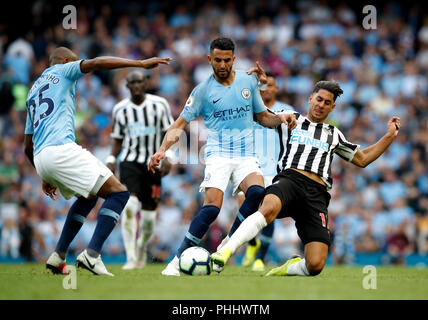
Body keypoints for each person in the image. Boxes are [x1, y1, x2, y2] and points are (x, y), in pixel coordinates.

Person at [212, 80, 401, 277]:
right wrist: (261, 92)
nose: (321, 105)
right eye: (319, 99)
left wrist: (389, 136)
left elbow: (362, 159)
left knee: (315, 265)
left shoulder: (334, 134)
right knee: (267, 208)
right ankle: (225, 252)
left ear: (332, 107)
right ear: (310, 99)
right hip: (290, 180)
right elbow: (263, 118)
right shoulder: (291, 119)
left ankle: (289, 268)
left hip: (316, 194)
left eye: (327, 102)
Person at [148, 37, 296, 276]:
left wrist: (281, 117)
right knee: (212, 209)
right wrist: (162, 150)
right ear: (210, 60)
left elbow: (262, 117)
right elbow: (179, 124)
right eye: (218, 59)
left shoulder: (248, 82)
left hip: (246, 154)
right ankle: (175, 262)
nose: (223, 64)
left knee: (258, 192)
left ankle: (228, 244)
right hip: (218, 155)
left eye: (227, 59)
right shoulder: (203, 91)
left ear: (233, 59)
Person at [24, 47, 171, 276]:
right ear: (64, 61)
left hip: (42, 157)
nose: (79, 66)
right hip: (61, 149)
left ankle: (58, 257)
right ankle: (92, 255)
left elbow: (27, 147)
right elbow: (95, 62)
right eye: (75, 61)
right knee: (119, 193)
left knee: (89, 195)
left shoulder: (33, 91)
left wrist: (44, 174)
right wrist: (140, 64)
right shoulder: (64, 70)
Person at [107, 70, 174, 270]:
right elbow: (117, 138)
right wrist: (111, 159)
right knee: (129, 207)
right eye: (132, 83)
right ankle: (130, 257)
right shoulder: (120, 109)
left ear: (146, 83)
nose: (136, 86)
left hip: (153, 164)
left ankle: (141, 246)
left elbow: (170, 132)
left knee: (148, 220)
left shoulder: (159, 104)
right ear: (127, 86)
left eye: (139, 82)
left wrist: (169, 157)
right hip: (130, 162)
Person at [239, 72, 295, 272]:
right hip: (248, 167)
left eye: (272, 85)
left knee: (267, 212)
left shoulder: (286, 111)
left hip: (274, 169)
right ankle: (252, 243)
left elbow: (294, 139)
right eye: (265, 85)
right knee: (245, 208)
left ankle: (260, 258)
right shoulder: (247, 109)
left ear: (276, 88)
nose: (268, 89)